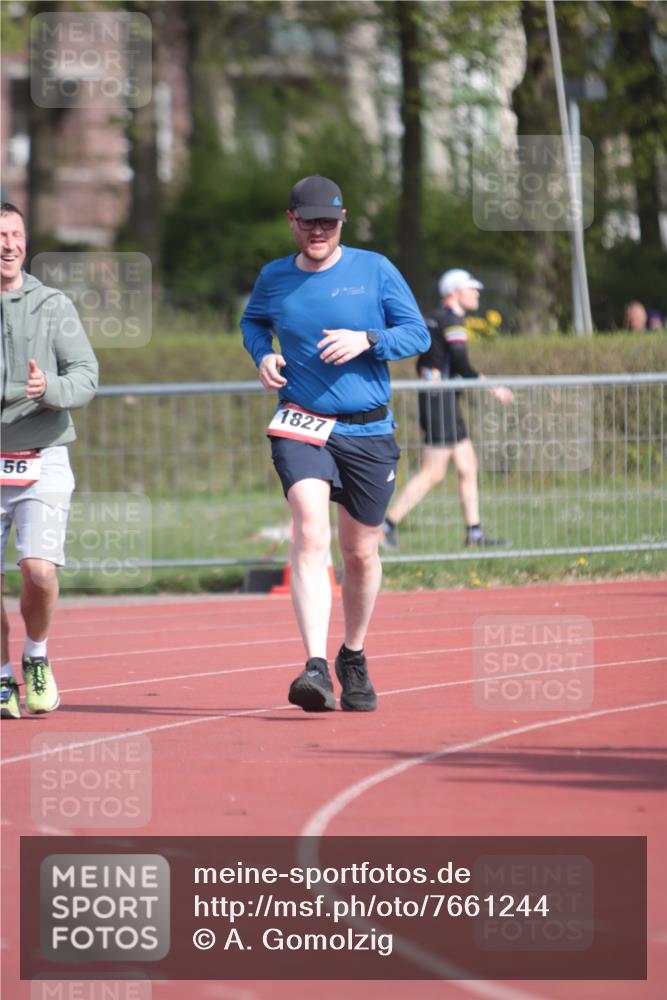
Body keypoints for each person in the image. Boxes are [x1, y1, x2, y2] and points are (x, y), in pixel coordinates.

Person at [241, 175, 430, 713]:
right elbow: (253, 321)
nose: (319, 231)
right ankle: (315, 666)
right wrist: (263, 354)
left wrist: (369, 340)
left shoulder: (374, 269)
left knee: (361, 552)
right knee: (309, 529)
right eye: (309, 222)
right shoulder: (274, 277)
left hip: (368, 429)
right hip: (302, 421)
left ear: (341, 221)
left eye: (329, 222)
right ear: (292, 221)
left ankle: (353, 653)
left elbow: (418, 334)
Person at [1, 203, 98, 719]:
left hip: (43, 452)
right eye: (0, 235)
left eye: (15, 234)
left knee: (38, 571)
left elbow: (85, 373)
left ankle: (36, 657)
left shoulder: (53, 304)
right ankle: (0, 679)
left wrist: (49, 389)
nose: (8, 244)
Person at [381, 268, 513, 550]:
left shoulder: (437, 317)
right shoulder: (451, 319)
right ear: (454, 292)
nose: (476, 293)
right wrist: (491, 386)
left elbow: (426, 361)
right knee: (434, 473)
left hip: (442, 397)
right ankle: (386, 525)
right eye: (471, 288)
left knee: (467, 466)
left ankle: (474, 533)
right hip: (439, 398)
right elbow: (460, 361)